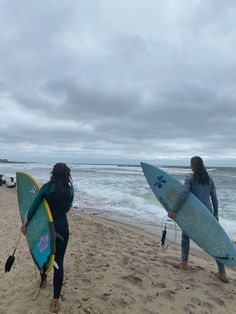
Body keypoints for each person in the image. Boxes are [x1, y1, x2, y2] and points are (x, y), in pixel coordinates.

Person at [21, 163, 74, 313]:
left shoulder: (46, 188)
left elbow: (34, 206)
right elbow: (68, 208)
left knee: (44, 254)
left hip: (47, 229)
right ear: (66, 175)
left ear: (53, 173)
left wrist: (25, 223)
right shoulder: (70, 190)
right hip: (63, 229)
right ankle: (55, 300)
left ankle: (43, 281)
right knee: (59, 262)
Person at [168, 156, 229, 283]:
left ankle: (184, 263)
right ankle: (222, 272)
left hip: (193, 214)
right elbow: (214, 199)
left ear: (193, 166)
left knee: (186, 237)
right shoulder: (209, 179)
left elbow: (184, 195)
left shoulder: (190, 178)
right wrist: (216, 214)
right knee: (214, 241)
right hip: (208, 214)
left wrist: (174, 210)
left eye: (190, 164)